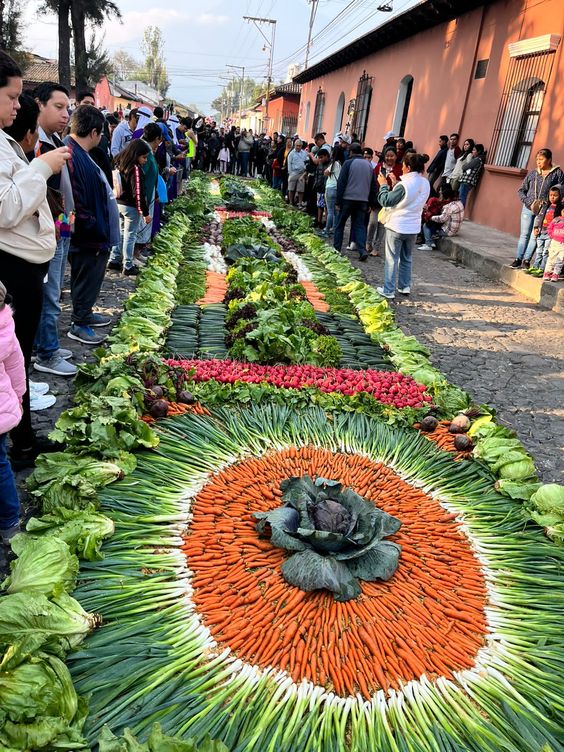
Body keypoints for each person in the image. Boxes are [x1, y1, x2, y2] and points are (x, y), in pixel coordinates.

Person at [0, 51, 70, 468]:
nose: (15, 105)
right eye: (11, 96)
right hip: (12, 266)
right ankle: (19, 444)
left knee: (18, 358)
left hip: (26, 267)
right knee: (14, 358)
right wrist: (41, 167)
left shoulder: (6, 141)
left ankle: (23, 439)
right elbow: (7, 208)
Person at [32, 82, 81, 378]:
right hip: (47, 231)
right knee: (49, 294)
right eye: (58, 107)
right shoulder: (36, 144)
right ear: (39, 104)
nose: (66, 114)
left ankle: (44, 344)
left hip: (61, 227)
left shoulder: (53, 139)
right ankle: (47, 354)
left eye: (67, 108)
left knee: (54, 292)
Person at [65, 105, 120, 345]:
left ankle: (85, 313)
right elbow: (76, 201)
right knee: (86, 277)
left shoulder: (80, 151)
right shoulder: (72, 154)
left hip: (94, 232)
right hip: (88, 235)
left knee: (90, 277)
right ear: (95, 132)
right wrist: (94, 226)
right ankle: (79, 323)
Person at [376, 152, 430, 298]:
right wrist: (395, 184)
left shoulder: (405, 184)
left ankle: (388, 290)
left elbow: (386, 200)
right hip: (413, 227)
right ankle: (404, 286)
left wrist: (383, 186)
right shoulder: (425, 182)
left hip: (397, 226)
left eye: (404, 165)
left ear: (408, 167)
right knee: (407, 257)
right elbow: (409, 200)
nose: (402, 168)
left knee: (391, 259)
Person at [0, 281, 26, 548]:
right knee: (1, 466)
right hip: (3, 411)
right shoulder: (6, 327)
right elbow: (17, 366)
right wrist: (17, 397)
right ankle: (9, 522)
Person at [511, 148, 564, 269]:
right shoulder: (533, 173)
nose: (538, 162)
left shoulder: (557, 173)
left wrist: (553, 205)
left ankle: (526, 260)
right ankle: (518, 258)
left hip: (544, 211)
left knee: (535, 235)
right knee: (524, 234)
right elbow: (521, 190)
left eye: (541, 159)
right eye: (537, 159)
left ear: (549, 159)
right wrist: (529, 202)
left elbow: (561, 191)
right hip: (528, 208)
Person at [108, 139, 151, 276]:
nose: (145, 160)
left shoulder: (118, 162)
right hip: (130, 207)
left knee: (120, 232)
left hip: (117, 203)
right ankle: (128, 265)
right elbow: (138, 192)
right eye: (144, 157)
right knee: (130, 236)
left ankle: (114, 259)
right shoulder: (135, 169)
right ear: (136, 154)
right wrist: (145, 212)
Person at [333, 141, 378, 262]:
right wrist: (371, 203)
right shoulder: (369, 166)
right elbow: (374, 185)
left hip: (347, 199)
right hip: (362, 201)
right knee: (359, 226)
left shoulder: (348, 163)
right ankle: (362, 250)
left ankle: (336, 250)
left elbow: (341, 183)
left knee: (340, 225)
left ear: (351, 152)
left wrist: (338, 201)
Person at [367, 147, 403, 256]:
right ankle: (368, 243)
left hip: (390, 202)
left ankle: (376, 248)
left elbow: (402, 186)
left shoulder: (400, 169)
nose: (389, 158)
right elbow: (372, 183)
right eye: (387, 155)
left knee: (382, 225)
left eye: (392, 155)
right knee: (372, 222)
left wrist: (394, 183)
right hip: (376, 200)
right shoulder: (378, 167)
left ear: (396, 157)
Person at [419, 185, 464, 249]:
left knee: (426, 225)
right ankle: (431, 242)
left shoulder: (449, 206)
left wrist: (430, 217)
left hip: (448, 231)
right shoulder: (459, 203)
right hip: (455, 229)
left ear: (448, 198)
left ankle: (429, 244)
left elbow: (442, 219)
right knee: (432, 222)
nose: (440, 193)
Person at [530, 186, 562, 274]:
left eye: (555, 195)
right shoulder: (545, 205)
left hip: (549, 234)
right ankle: (536, 266)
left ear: (560, 196)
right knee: (539, 251)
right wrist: (536, 227)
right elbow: (539, 217)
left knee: (545, 252)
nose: (552, 197)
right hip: (541, 232)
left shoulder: (559, 208)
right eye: (550, 195)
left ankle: (542, 268)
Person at [322, 153, 341, 237]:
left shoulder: (334, 164)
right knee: (335, 212)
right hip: (337, 189)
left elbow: (325, 172)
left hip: (330, 188)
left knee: (329, 211)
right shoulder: (341, 165)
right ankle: (334, 229)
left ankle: (327, 230)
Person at [287, 139, 310, 208]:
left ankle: (299, 203)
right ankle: (291, 202)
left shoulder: (304, 153)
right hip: (293, 172)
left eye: (300, 146)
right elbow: (289, 164)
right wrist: (290, 173)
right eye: (297, 146)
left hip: (302, 173)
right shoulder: (291, 153)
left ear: (301, 146)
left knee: (301, 189)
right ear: (294, 145)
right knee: (291, 188)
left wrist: (305, 173)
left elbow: (307, 162)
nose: (298, 147)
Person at [543, 212, 564, 281]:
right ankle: (547, 272)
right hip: (555, 242)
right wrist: (552, 235)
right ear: (562, 212)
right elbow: (550, 228)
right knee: (551, 258)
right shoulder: (556, 219)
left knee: (561, 260)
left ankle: (555, 274)